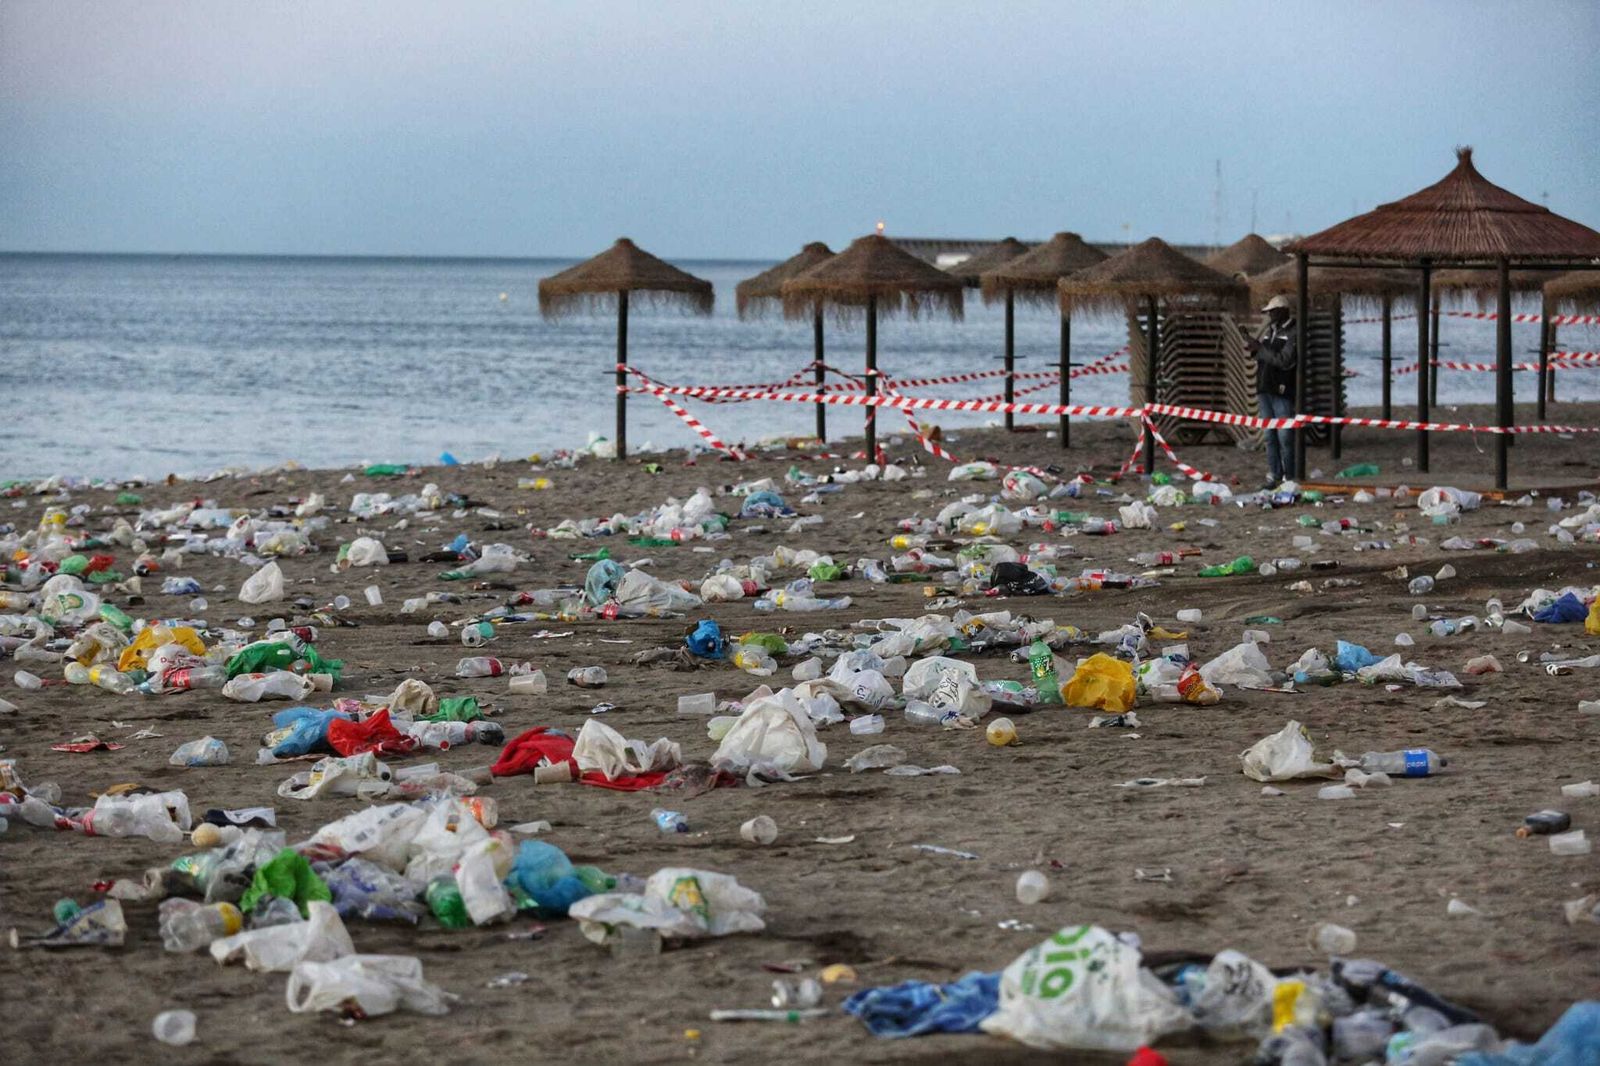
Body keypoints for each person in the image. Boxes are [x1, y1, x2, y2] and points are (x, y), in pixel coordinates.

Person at [1245, 294, 1298, 487]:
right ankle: (1275, 474)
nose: (1270, 316)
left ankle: (1290, 476)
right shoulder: (1270, 331)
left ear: (1283, 311)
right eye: (1269, 312)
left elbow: (1285, 361)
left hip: (1282, 389)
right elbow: (1265, 356)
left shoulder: (1293, 332)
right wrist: (1255, 349)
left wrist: (1261, 349)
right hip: (1264, 387)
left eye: (1273, 312)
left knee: (1284, 436)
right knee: (1269, 436)